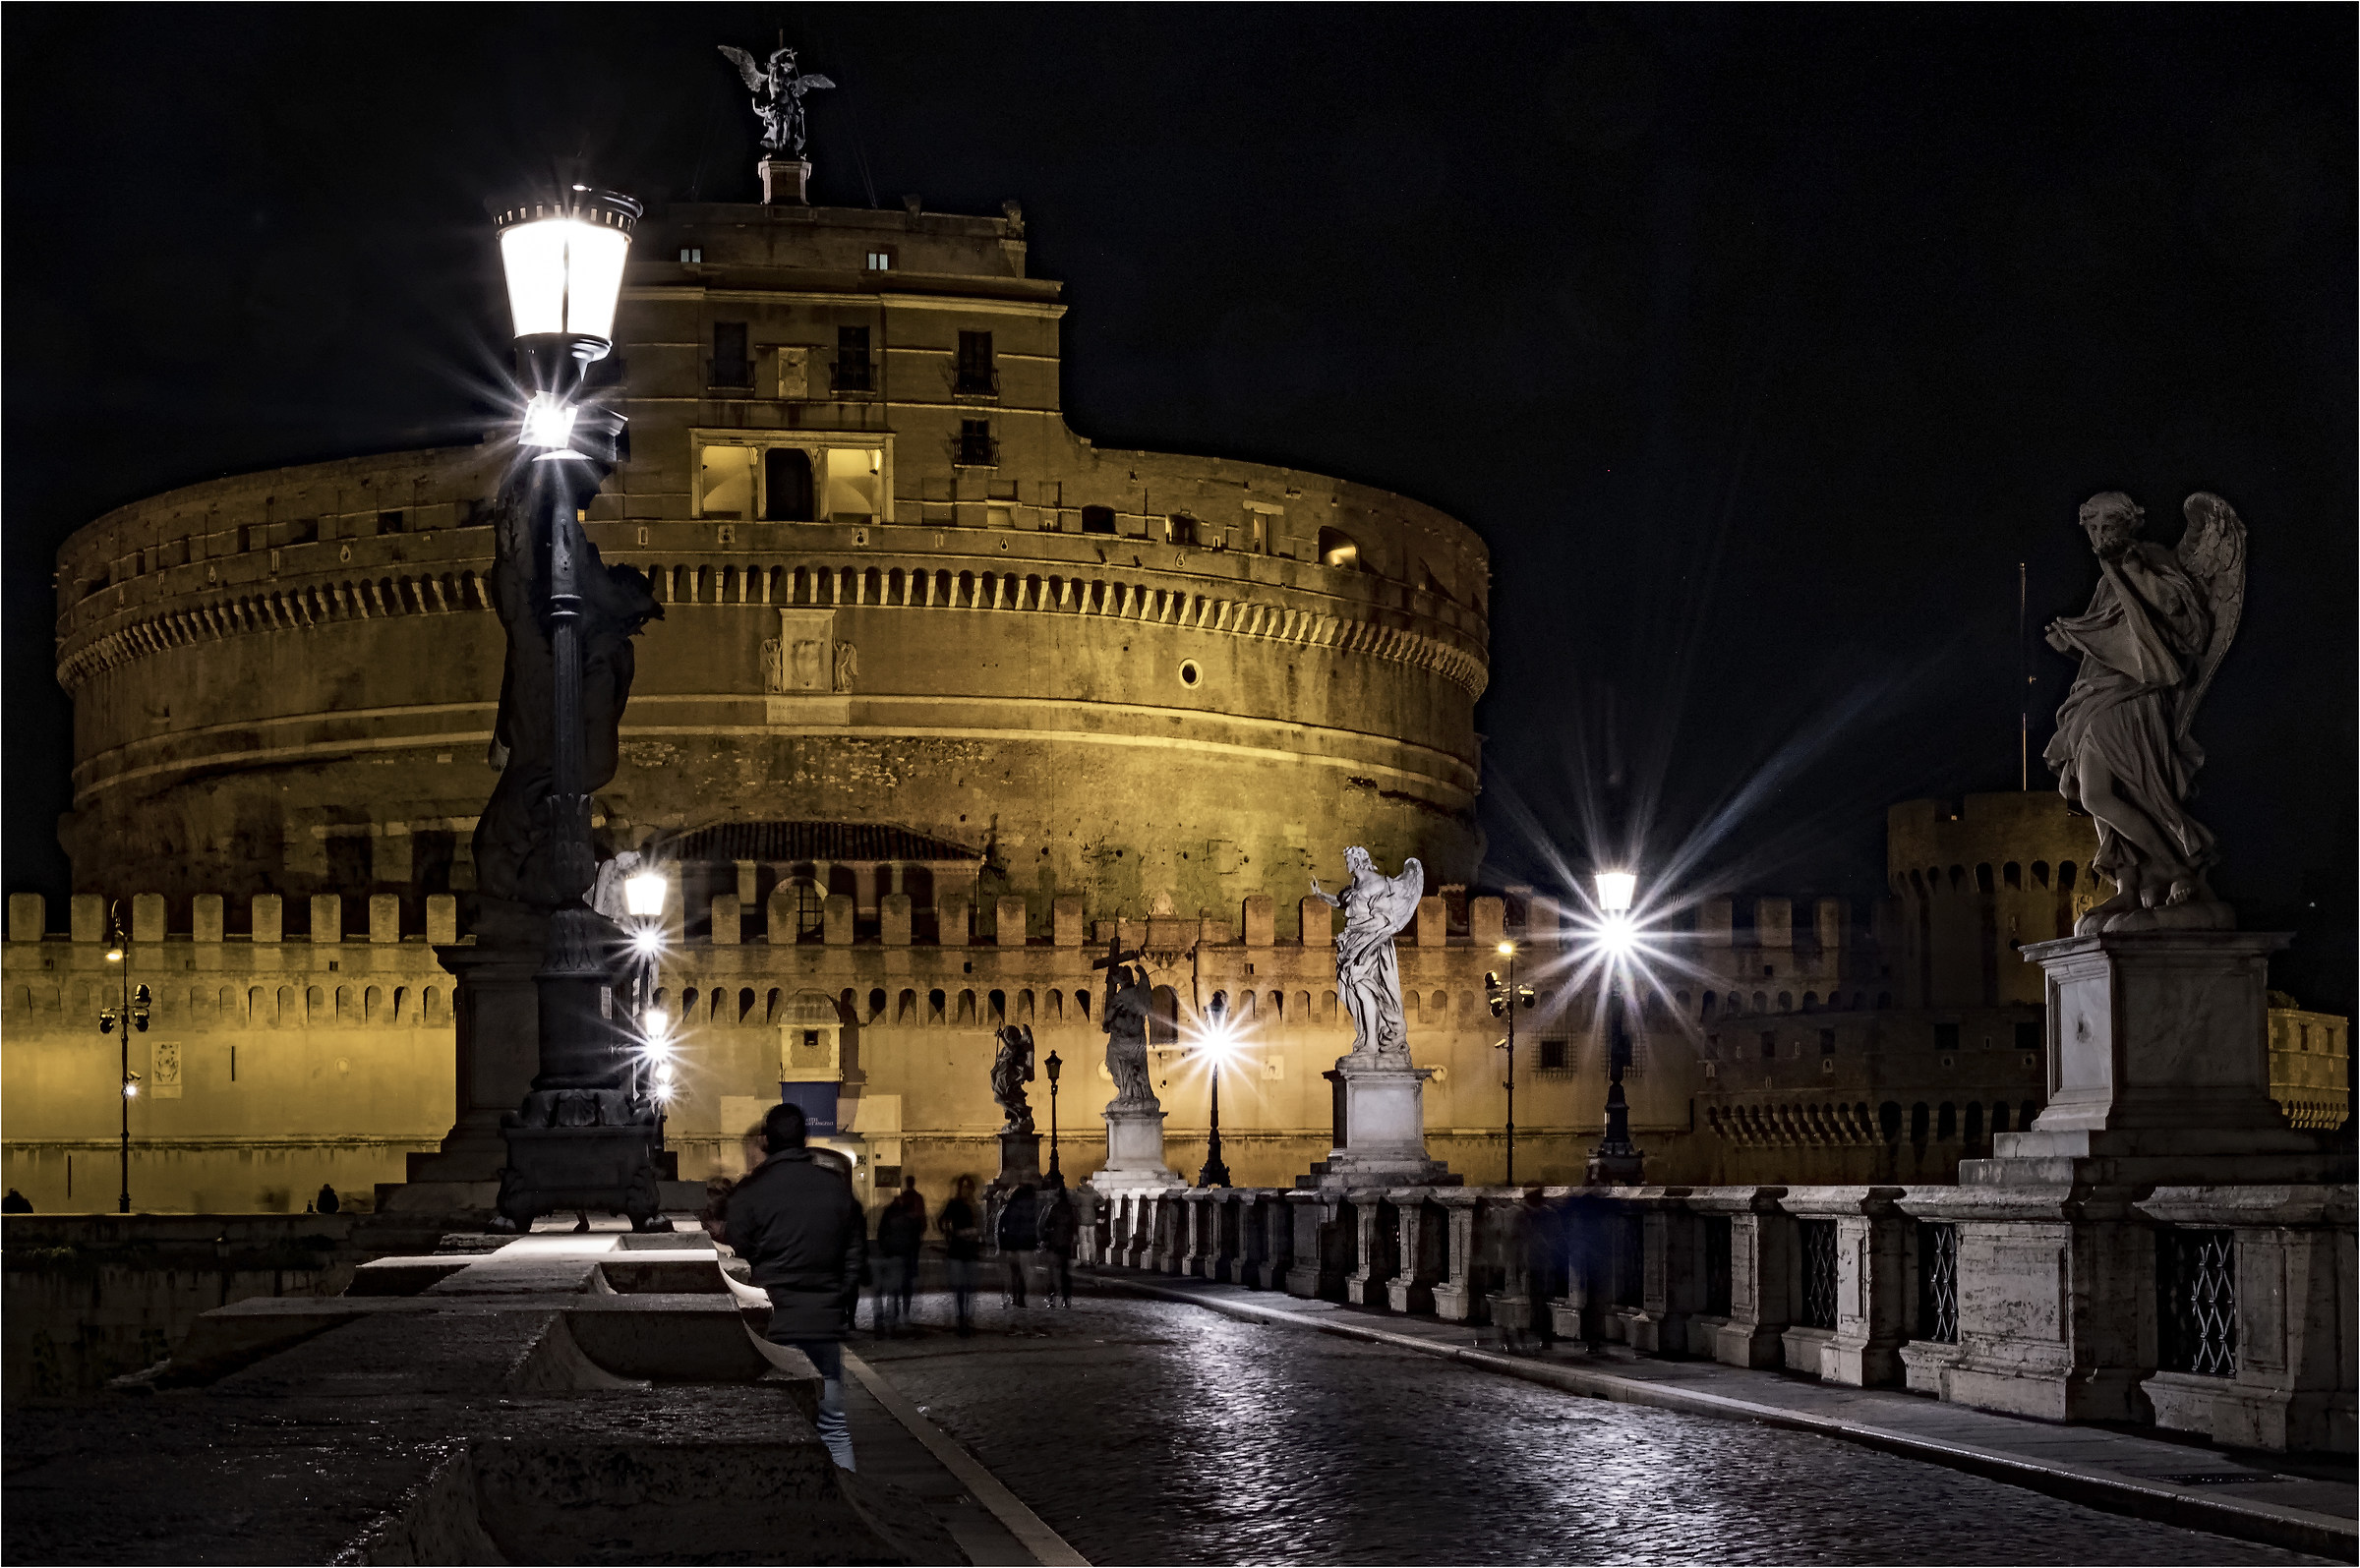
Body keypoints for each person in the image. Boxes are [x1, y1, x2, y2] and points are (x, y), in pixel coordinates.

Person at [724, 1102, 866, 1470]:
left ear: (766, 1141)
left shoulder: (751, 1192)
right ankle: (848, 1507)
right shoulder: (835, 1189)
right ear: (805, 1139)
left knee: (775, 1429)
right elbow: (854, 1256)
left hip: (774, 1325)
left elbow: (740, 1253)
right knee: (833, 1426)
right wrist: (838, 1299)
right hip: (822, 1322)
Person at [938, 1175, 982, 1335]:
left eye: (968, 1188)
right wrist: (950, 1234)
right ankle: (960, 1319)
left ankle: (969, 1319)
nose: (966, 1190)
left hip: (970, 1251)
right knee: (959, 1288)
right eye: (963, 1187)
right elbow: (941, 1221)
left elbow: (981, 1226)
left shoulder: (975, 1206)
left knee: (970, 1287)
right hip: (957, 1250)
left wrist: (975, 1233)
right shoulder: (953, 1204)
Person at [871, 1193, 916, 1335]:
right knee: (892, 1292)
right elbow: (912, 1242)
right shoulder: (907, 1220)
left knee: (879, 1292)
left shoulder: (887, 1215)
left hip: (883, 1256)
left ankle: (879, 1322)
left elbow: (880, 1234)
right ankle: (891, 1323)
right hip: (898, 1258)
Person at [996, 1183, 1040, 1307]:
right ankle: (1020, 1297)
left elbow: (1001, 1227)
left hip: (1011, 1244)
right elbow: (1032, 1227)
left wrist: (1002, 1243)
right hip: (1025, 1244)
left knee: (1015, 1272)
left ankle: (1015, 1296)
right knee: (1023, 1272)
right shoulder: (1029, 1208)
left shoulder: (1009, 1208)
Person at [1036, 1180, 1078, 1308]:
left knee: (1052, 1273)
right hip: (1066, 1244)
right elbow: (1073, 1226)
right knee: (1065, 1273)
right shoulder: (1070, 1209)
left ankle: (1051, 1298)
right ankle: (1066, 1299)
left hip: (1054, 1245)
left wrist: (1043, 1240)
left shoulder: (1053, 1209)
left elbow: (1047, 1225)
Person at [891, 1178, 925, 1326]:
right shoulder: (917, 1198)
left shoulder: (902, 1200)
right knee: (907, 1281)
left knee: (898, 1282)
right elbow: (922, 1220)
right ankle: (904, 1311)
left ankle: (896, 1311)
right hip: (911, 1246)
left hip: (900, 1249)